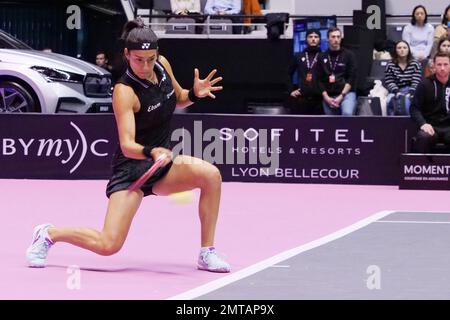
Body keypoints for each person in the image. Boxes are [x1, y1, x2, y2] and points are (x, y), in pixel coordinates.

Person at [25, 18, 231, 273]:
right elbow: (127, 145)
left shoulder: (163, 66)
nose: (145, 65)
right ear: (126, 54)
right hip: (132, 171)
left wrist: (194, 94)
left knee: (211, 175)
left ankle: (206, 252)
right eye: (138, 60)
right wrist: (152, 151)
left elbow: (178, 98)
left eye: (150, 58)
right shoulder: (124, 91)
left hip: (162, 169)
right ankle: (48, 234)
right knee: (108, 244)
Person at [410, 52, 450, 153]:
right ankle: (420, 167)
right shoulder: (424, 84)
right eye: (439, 64)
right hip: (431, 126)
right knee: (423, 137)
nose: (442, 68)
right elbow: (414, 108)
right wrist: (423, 123)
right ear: (434, 65)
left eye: (445, 64)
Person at [317, 27, 357, 116]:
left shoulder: (349, 55)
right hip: (328, 95)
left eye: (338, 37)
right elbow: (319, 80)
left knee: (347, 113)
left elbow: (351, 78)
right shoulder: (321, 56)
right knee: (330, 123)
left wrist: (341, 96)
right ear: (328, 39)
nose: (336, 40)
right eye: (333, 37)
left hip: (346, 94)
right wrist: (326, 97)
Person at [287, 29, 323, 115]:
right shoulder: (299, 56)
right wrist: (291, 90)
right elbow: (288, 73)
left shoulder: (324, 56)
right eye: (310, 37)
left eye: (316, 37)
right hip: (302, 97)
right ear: (306, 39)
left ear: (320, 40)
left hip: (319, 98)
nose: (313, 39)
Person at [384, 40, 422, 116]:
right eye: (399, 48)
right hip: (396, 90)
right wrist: (397, 92)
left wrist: (410, 93)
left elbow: (416, 81)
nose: (402, 50)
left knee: (408, 102)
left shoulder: (415, 64)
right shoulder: (390, 64)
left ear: (408, 50)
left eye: (405, 48)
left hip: (411, 90)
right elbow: (389, 81)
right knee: (388, 100)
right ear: (395, 50)